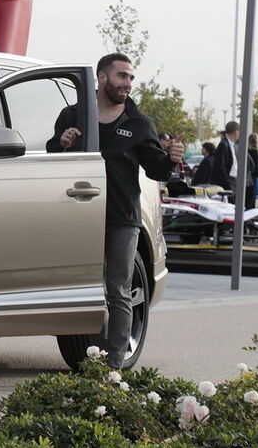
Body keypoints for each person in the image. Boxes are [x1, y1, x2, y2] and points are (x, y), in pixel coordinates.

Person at [48, 53, 180, 369]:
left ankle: (114, 366)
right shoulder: (72, 116)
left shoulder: (139, 124)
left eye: (131, 78)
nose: (128, 83)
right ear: (102, 77)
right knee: (76, 285)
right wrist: (62, 143)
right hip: (78, 216)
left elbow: (157, 170)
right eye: (122, 76)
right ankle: (85, 350)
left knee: (118, 289)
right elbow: (52, 156)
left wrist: (171, 158)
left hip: (123, 218)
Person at [212, 121, 240, 199]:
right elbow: (220, 165)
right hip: (228, 181)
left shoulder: (231, 144)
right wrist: (227, 181)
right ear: (235, 132)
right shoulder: (223, 145)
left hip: (233, 180)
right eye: (238, 131)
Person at [247, 132, 258, 207]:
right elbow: (256, 168)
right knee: (251, 199)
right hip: (253, 178)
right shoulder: (256, 152)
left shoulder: (247, 151)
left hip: (247, 177)